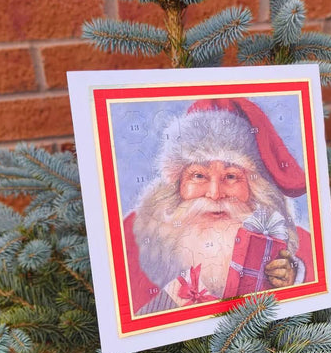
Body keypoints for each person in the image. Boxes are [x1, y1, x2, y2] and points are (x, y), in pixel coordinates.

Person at [123, 97, 314, 314]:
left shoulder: (301, 246)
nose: (215, 194)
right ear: (177, 184)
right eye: (198, 175)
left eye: (231, 176)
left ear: (255, 187)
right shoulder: (132, 235)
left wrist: (290, 281)